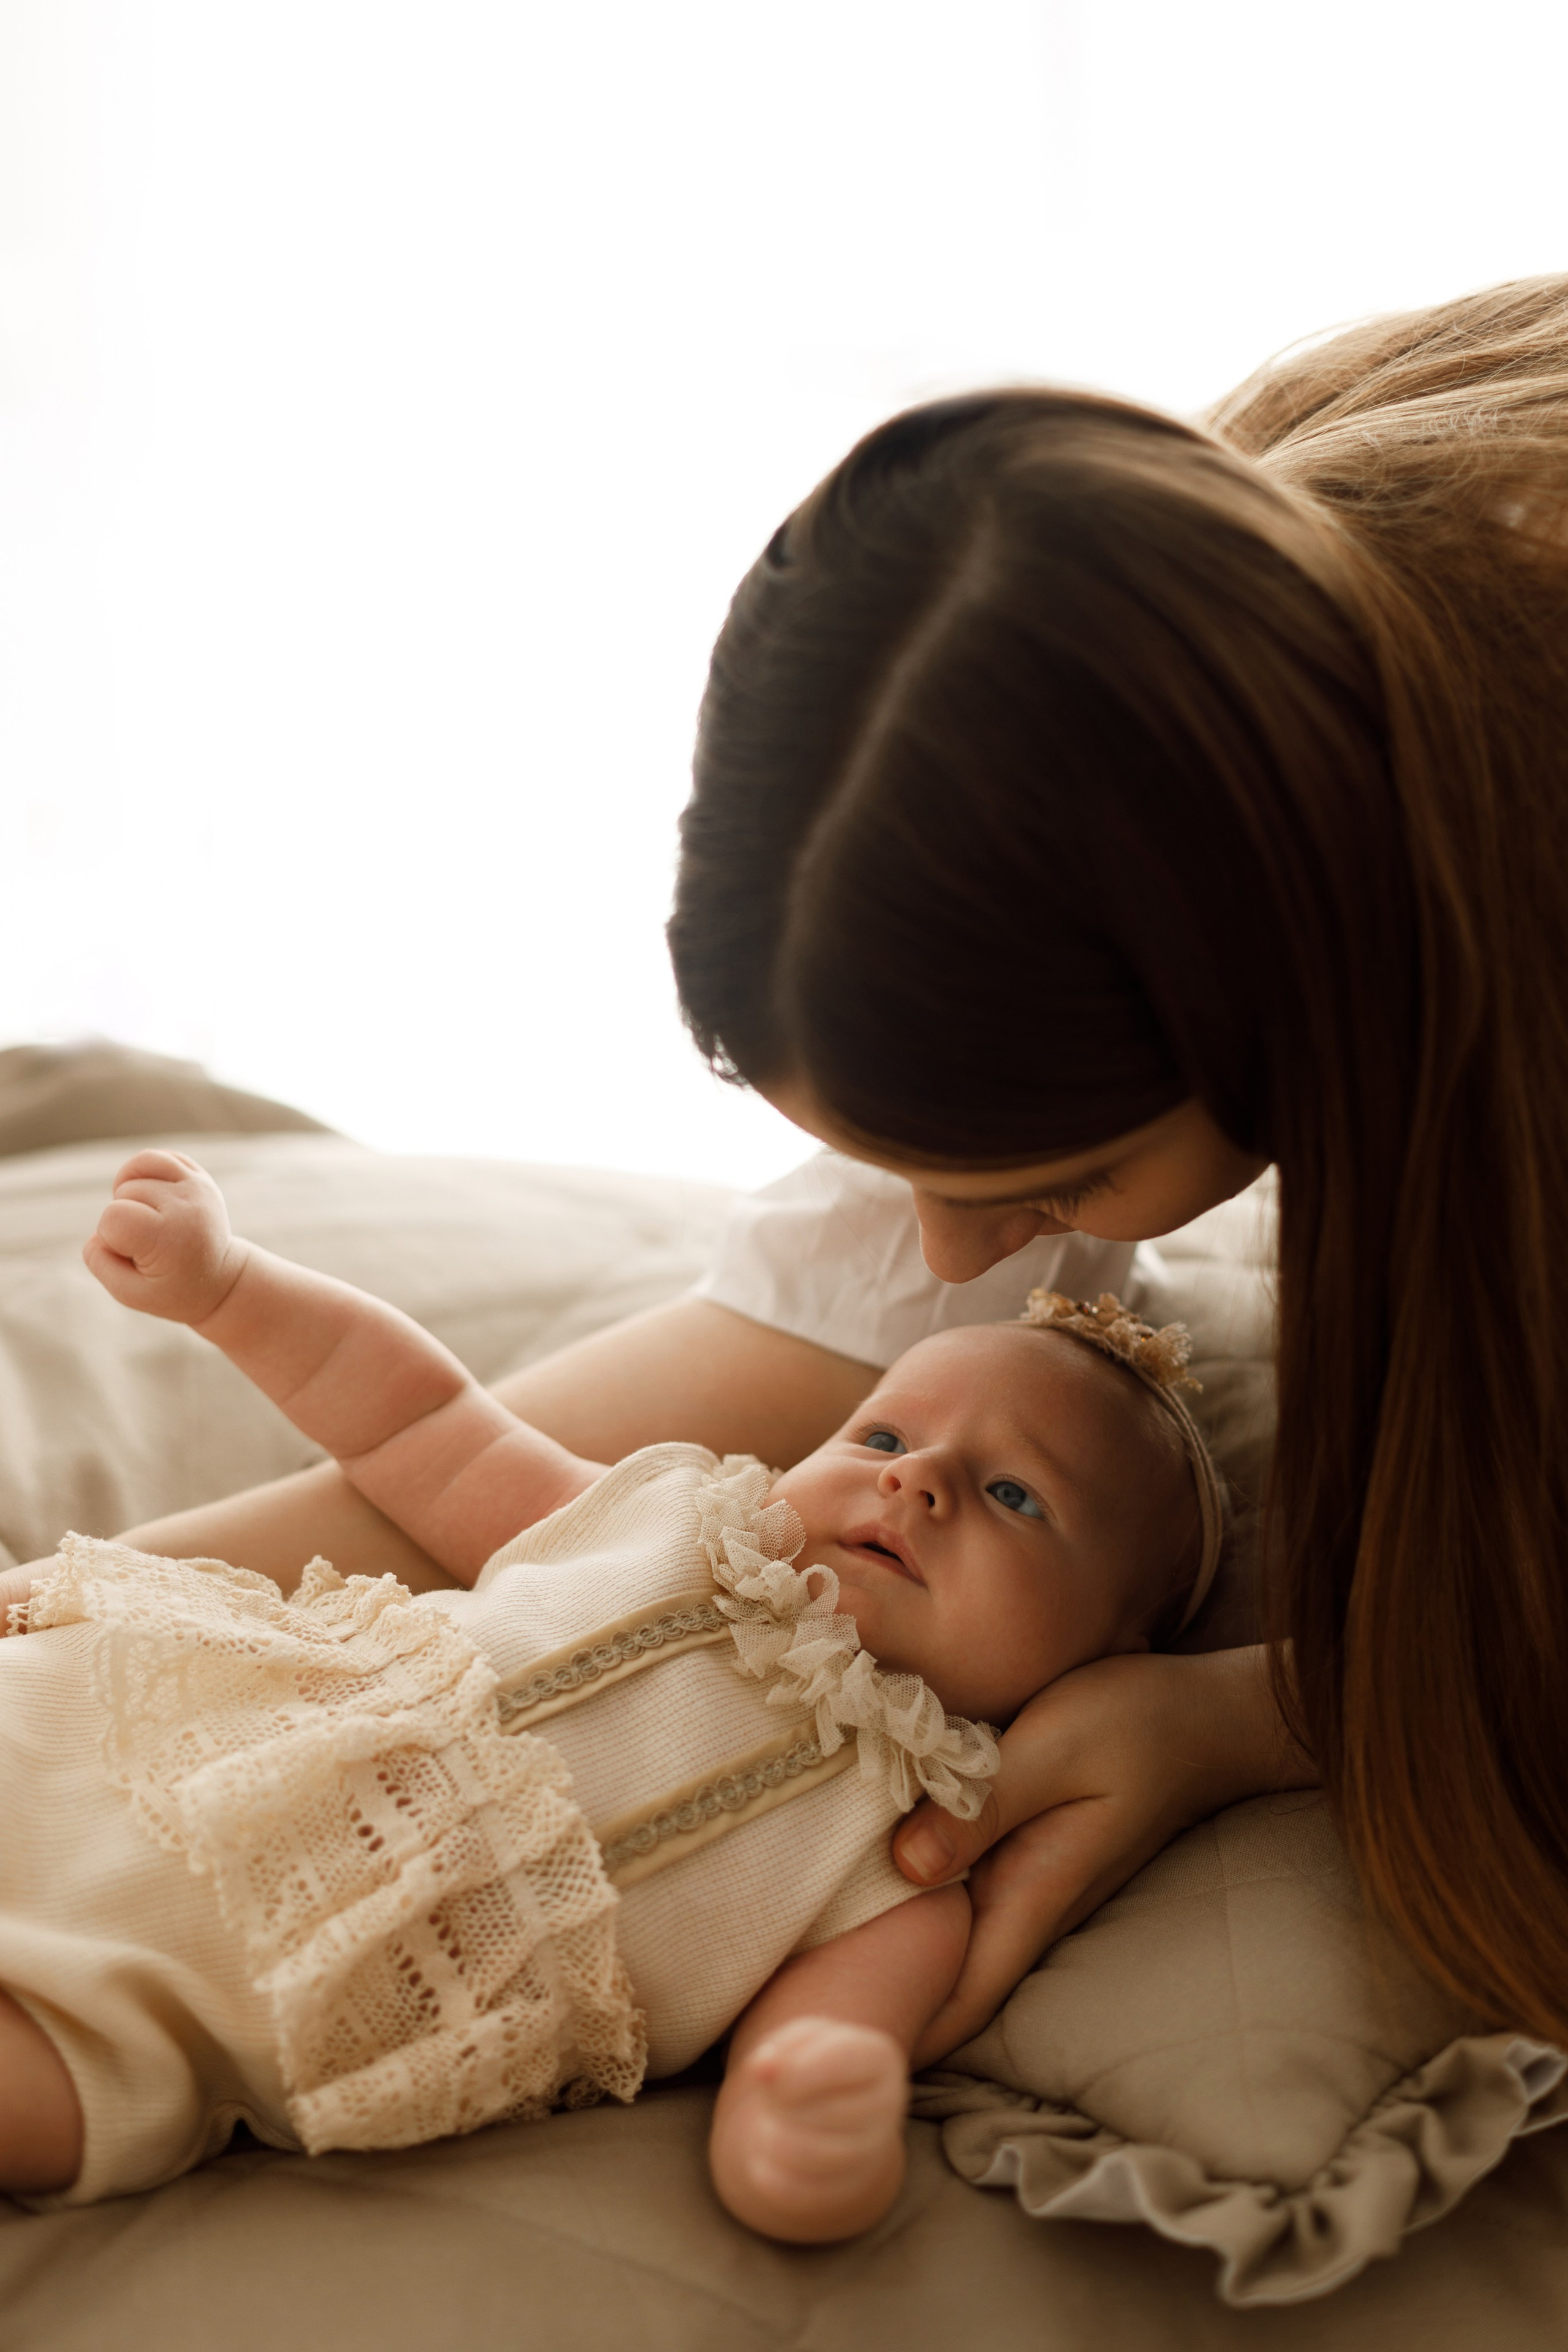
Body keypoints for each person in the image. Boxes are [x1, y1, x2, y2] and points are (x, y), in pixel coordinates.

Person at [111, 274, 1568, 2057]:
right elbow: (504, 1469)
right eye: (890, 1165)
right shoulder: (1187, 628)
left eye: (1058, 1178)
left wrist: (1240, 1718)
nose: (961, 1253)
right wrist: (74, 1606)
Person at [0, 1151, 1223, 2233]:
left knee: (55, 2102)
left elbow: (828, 2039)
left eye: (1017, 1496)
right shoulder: (661, 1523)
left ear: (1106, 1657)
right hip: (151, 1744)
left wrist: (805, 2133)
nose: (920, 1485)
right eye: (884, 1439)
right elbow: (421, 1418)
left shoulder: (910, 1848)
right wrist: (229, 1286)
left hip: (229, 1999)